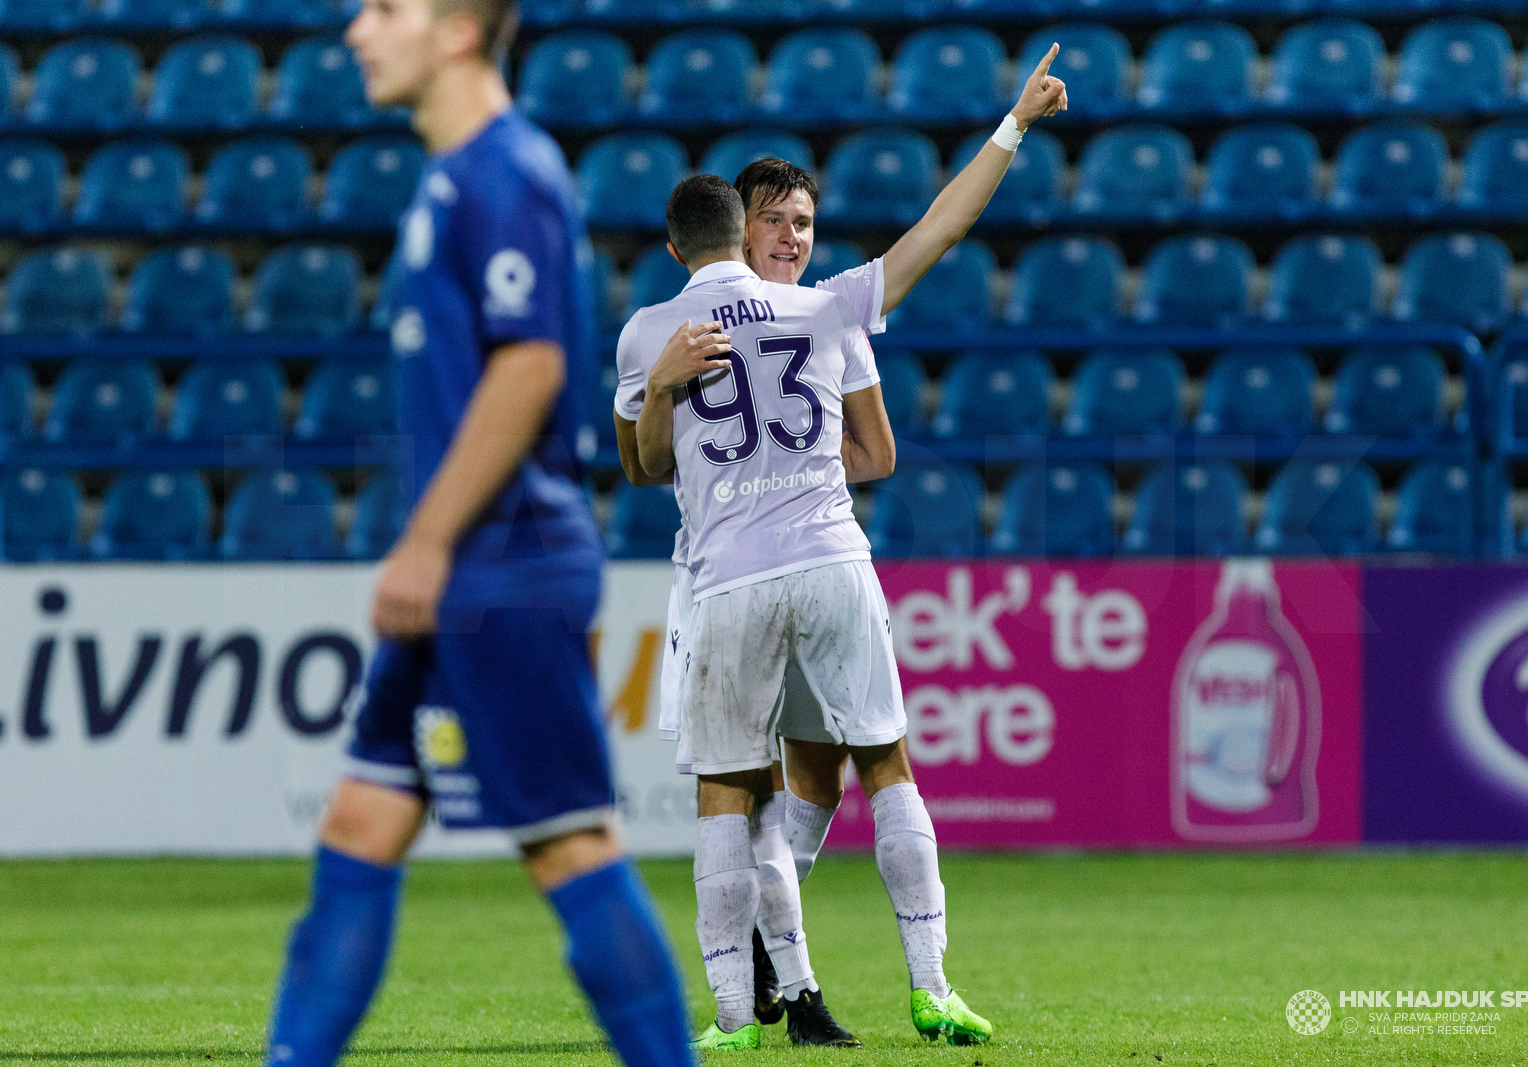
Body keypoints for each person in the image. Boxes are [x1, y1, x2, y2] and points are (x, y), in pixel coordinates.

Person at [261, 3, 693, 1066]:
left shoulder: (508, 172)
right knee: (362, 820)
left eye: (387, 9)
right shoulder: (454, 176)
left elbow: (530, 367)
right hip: (472, 561)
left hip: (503, 561)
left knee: (570, 839)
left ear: (456, 32)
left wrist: (425, 541)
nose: (358, 29)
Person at [614, 49, 1068, 1046]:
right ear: (743, 226)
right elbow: (939, 232)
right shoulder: (828, 310)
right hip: (829, 555)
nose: (790, 236)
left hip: (729, 573)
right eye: (773, 220)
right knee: (882, 766)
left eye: (801, 223)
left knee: (737, 789)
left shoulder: (654, 330)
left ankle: (738, 1010)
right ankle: (916, 982)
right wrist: (1014, 125)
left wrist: (671, 399)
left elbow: (642, 467)